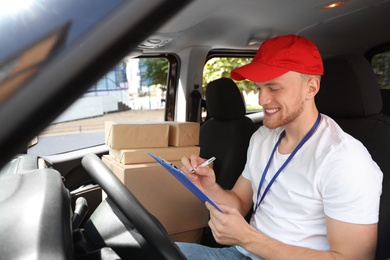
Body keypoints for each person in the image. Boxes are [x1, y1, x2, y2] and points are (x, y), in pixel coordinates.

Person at [177, 34, 383, 259]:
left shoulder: (345, 159)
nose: (262, 99)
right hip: (242, 254)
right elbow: (239, 202)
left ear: (311, 88)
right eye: (259, 88)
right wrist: (209, 186)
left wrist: (247, 237)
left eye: (274, 88)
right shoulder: (263, 137)